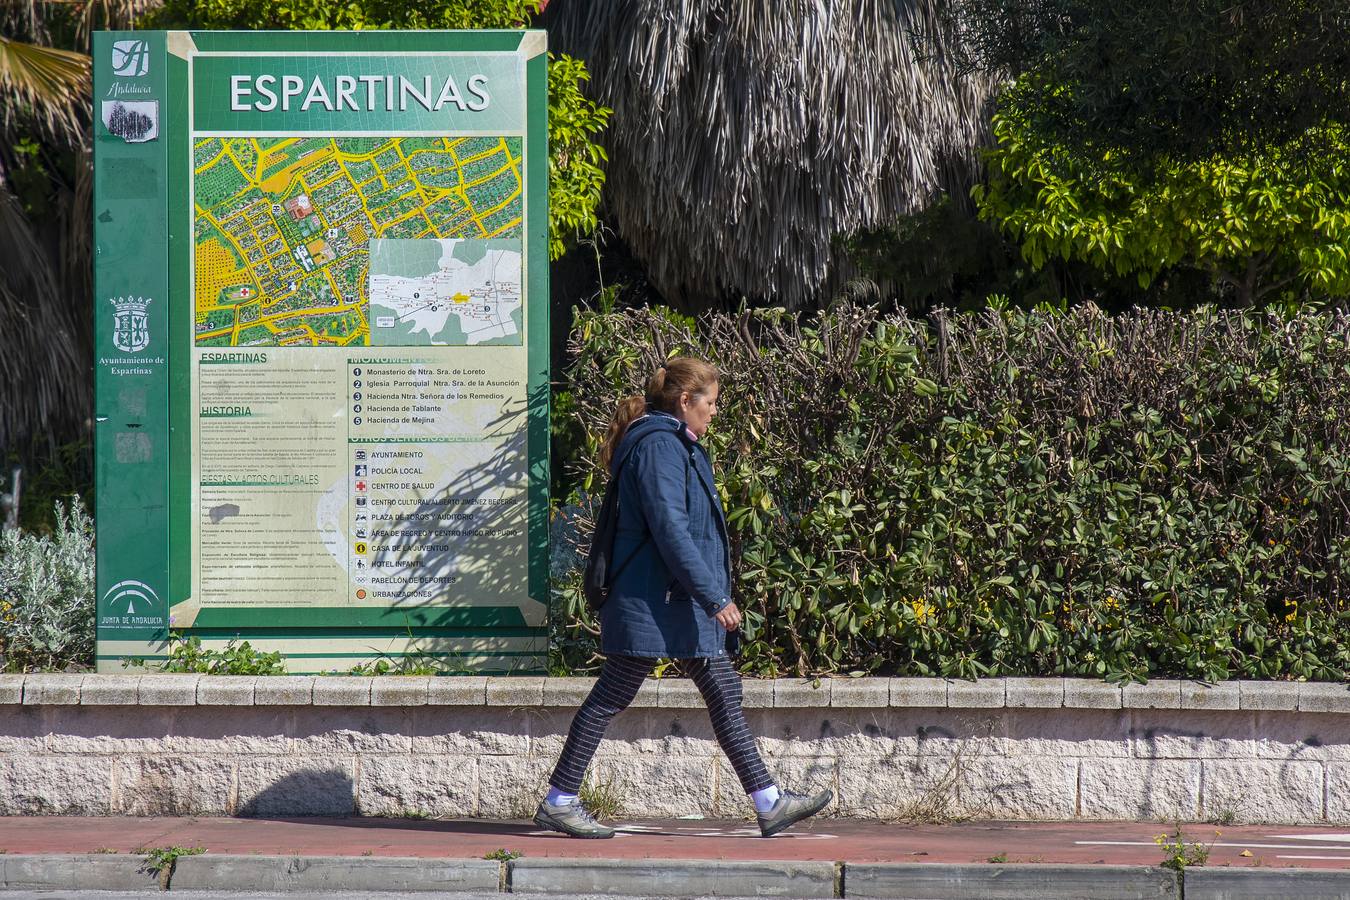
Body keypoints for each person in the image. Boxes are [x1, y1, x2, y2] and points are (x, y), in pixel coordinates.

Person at [535, 356, 832, 839]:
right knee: (614, 692)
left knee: (722, 689)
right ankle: (559, 800)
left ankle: (769, 800)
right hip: (654, 600)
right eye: (710, 403)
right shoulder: (660, 448)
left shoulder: (674, 445)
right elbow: (671, 529)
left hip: (670, 601)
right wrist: (715, 596)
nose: (714, 413)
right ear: (684, 401)